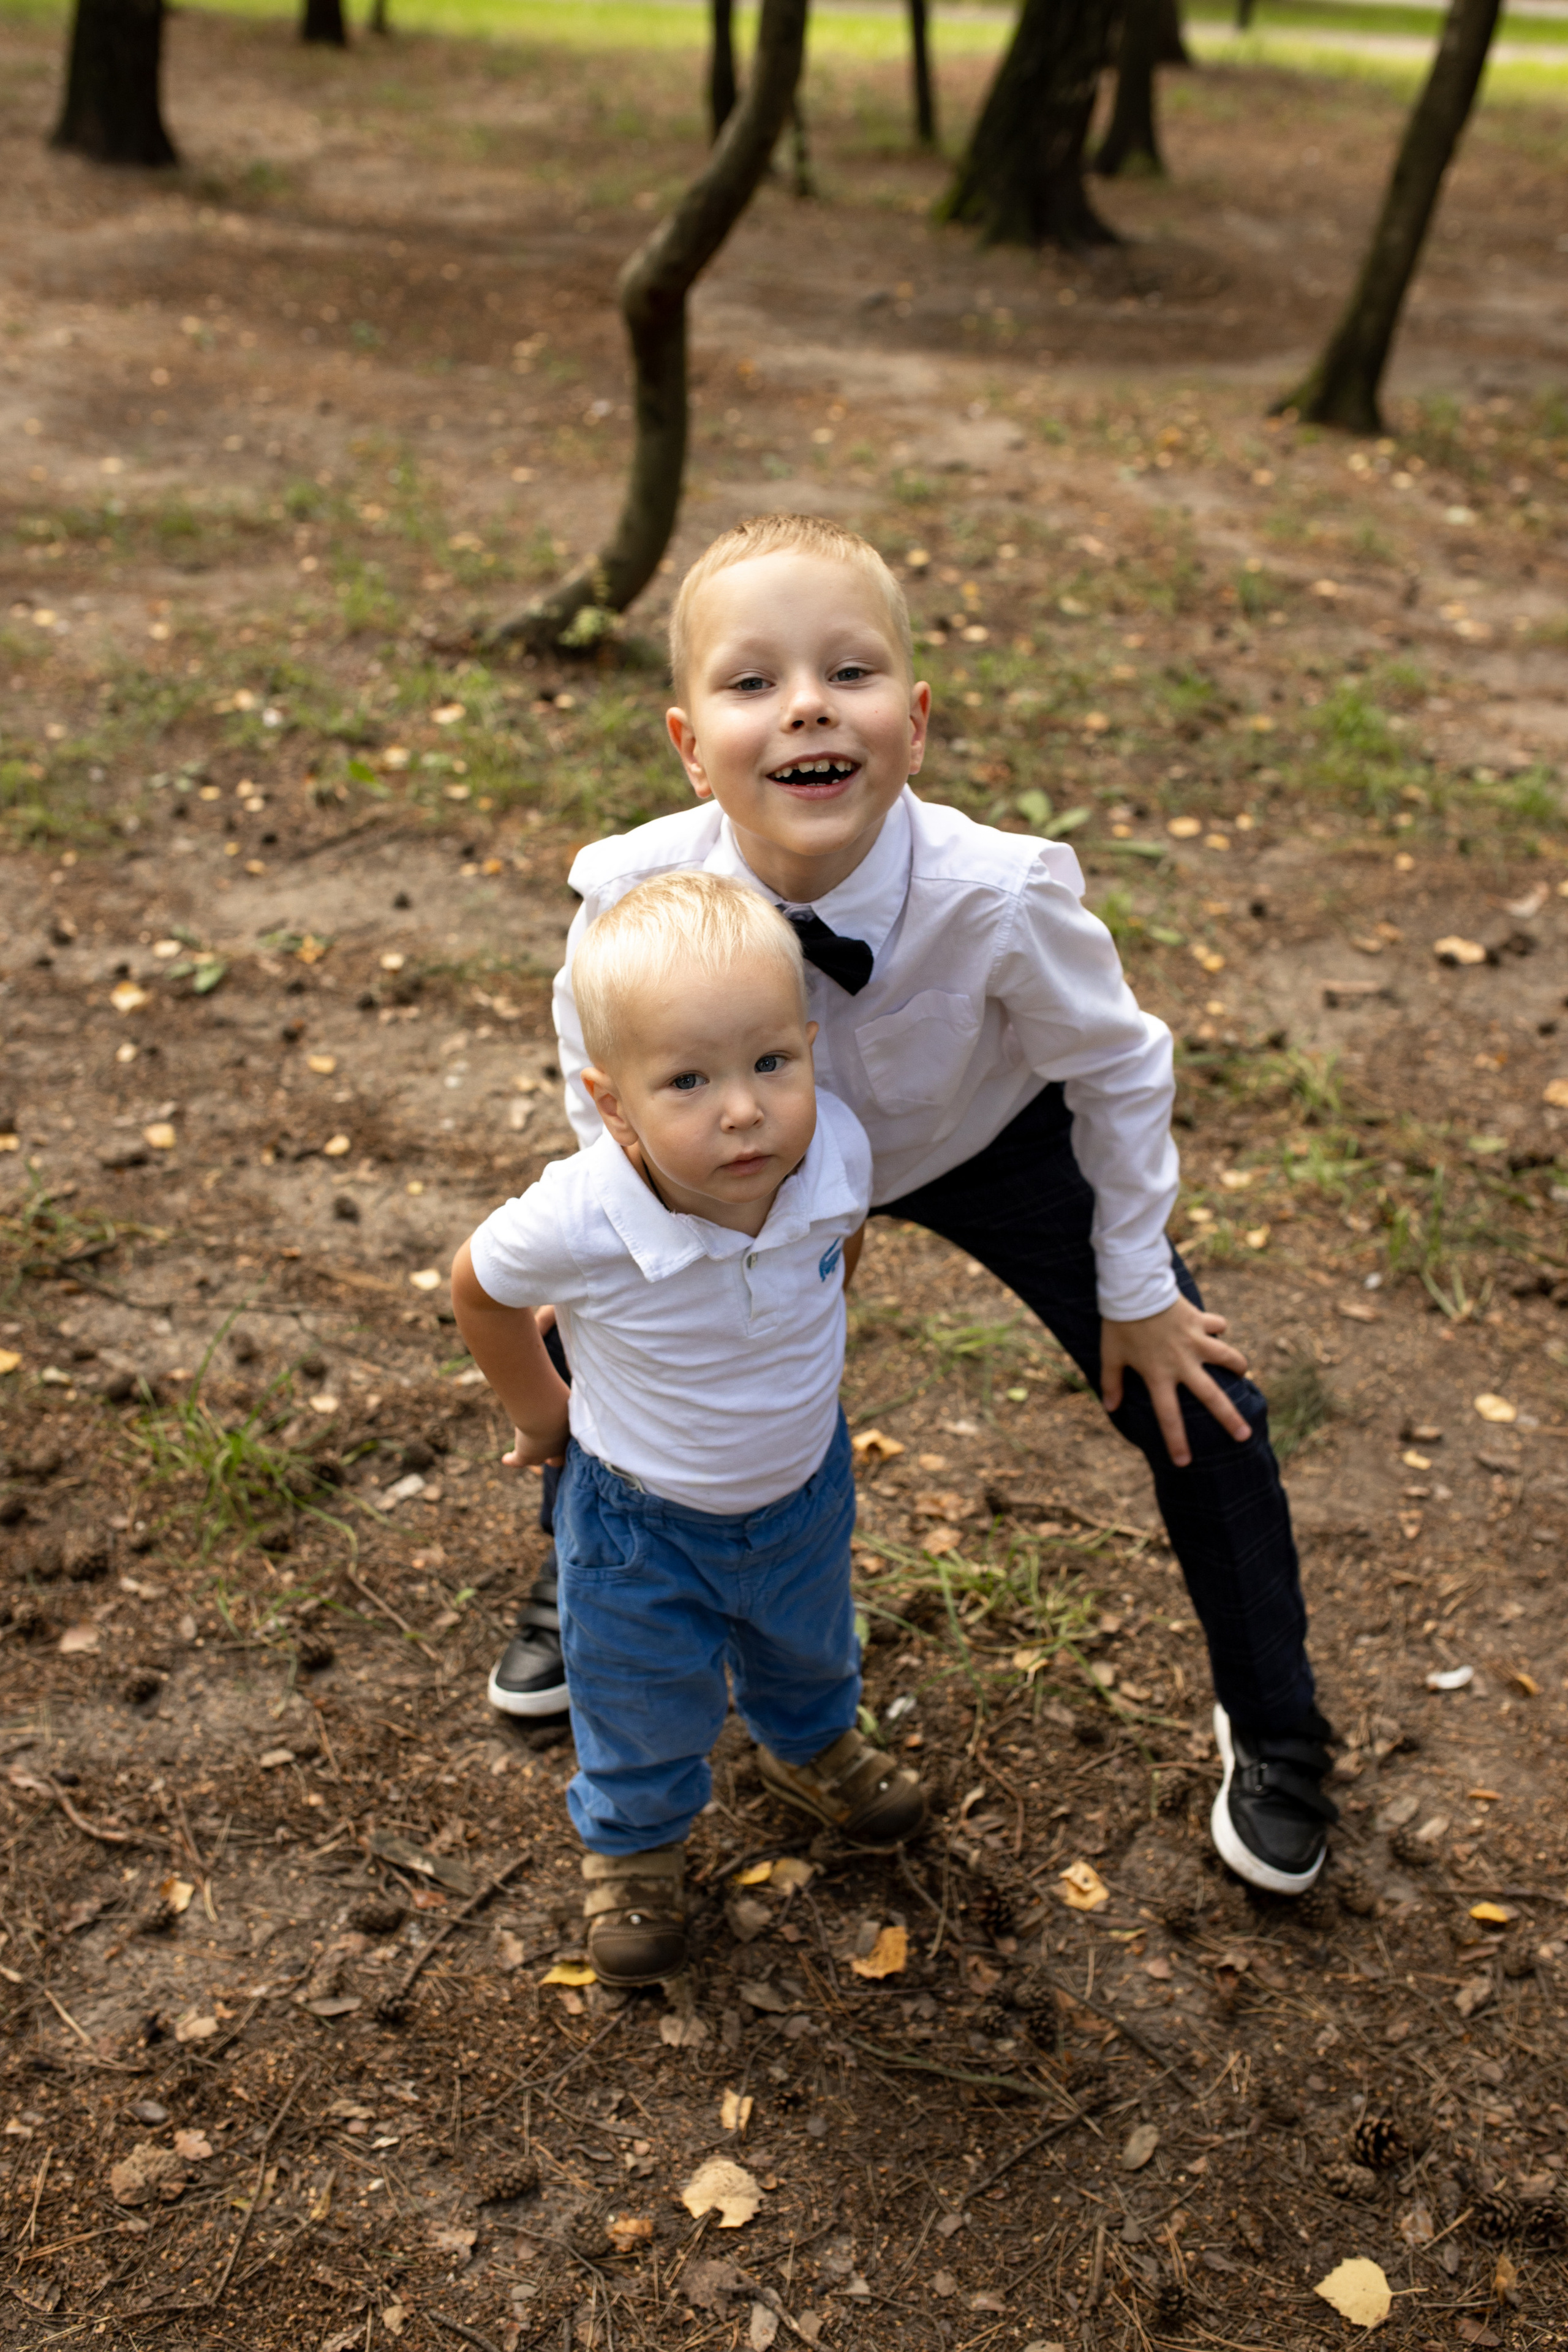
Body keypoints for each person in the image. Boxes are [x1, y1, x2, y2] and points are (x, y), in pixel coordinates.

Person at [489, 511, 1338, 1898]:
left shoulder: (996, 896)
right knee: (624, 1334)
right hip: (738, 1154)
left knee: (1197, 1395)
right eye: (753, 681)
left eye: (849, 672)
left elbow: (1120, 1063)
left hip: (983, 1137)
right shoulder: (632, 896)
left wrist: (1134, 1283)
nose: (806, 705)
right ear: (690, 746)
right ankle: (585, 1572)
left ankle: (1280, 1727)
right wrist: (643, 1216)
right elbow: (604, 1078)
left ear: (916, 722)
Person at [453, 870, 926, 1985]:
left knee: (810, 1642)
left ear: (810, 1048)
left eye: (771, 1062)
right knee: (640, 1693)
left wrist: (807, 1323)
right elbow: (478, 1284)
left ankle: (810, 1748)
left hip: (803, 1487)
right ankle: (635, 1844)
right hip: (641, 1523)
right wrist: (540, 1408)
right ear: (613, 1103)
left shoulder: (834, 1146)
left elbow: (842, 1238)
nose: (744, 1109)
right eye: (688, 1081)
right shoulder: (583, 1217)